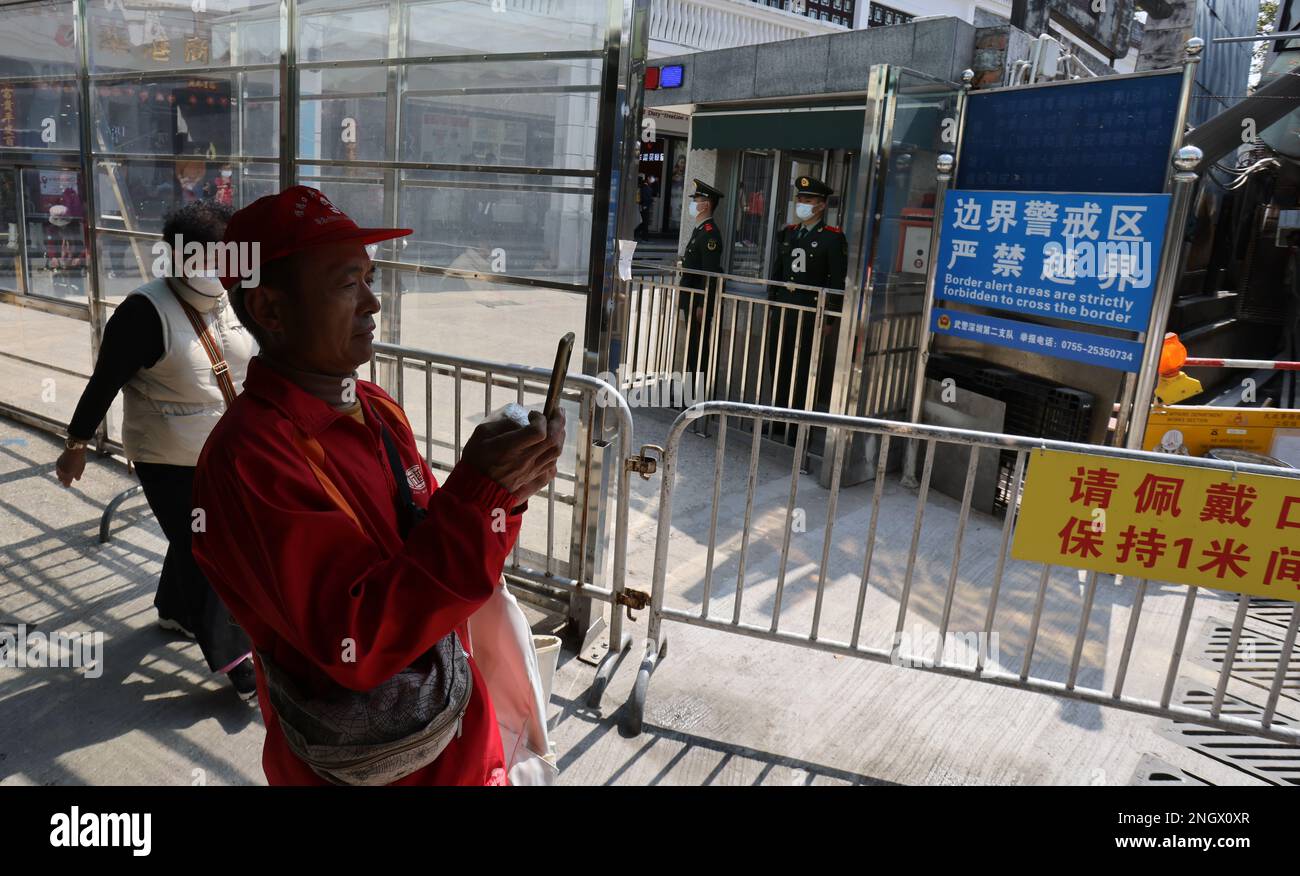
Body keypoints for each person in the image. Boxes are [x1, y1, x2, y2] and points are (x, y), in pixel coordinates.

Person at [190, 186, 566, 786]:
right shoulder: (249, 461)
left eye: (370, 278)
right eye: (346, 284)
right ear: (270, 311)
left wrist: (507, 492)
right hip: (372, 769)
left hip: (454, 734)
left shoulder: (373, 406)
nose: (372, 303)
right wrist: (479, 496)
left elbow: (427, 542)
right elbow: (356, 641)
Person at [55, 200, 257, 699]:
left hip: (226, 451)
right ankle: (238, 661)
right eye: (218, 253)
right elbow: (104, 382)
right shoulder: (144, 311)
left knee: (194, 537)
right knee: (205, 549)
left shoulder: (233, 299)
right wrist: (76, 445)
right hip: (167, 457)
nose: (230, 263)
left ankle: (172, 610)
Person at [768, 175, 847, 439]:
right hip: (784, 309)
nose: (802, 204)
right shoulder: (789, 232)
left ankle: (797, 425)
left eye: (809, 200)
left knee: (803, 369)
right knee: (779, 363)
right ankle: (777, 418)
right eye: (800, 199)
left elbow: (836, 281)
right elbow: (777, 271)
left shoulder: (832, 238)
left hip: (810, 312)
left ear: (822, 205)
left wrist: (830, 319)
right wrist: (773, 302)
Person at [678, 179, 724, 383]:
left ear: (706, 204)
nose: (693, 203)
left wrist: (704, 305)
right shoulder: (699, 230)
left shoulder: (710, 234)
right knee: (692, 345)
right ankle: (690, 393)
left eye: (697, 199)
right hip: (691, 296)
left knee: (698, 347)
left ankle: (698, 392)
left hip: (698, 300)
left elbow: (710, 273)